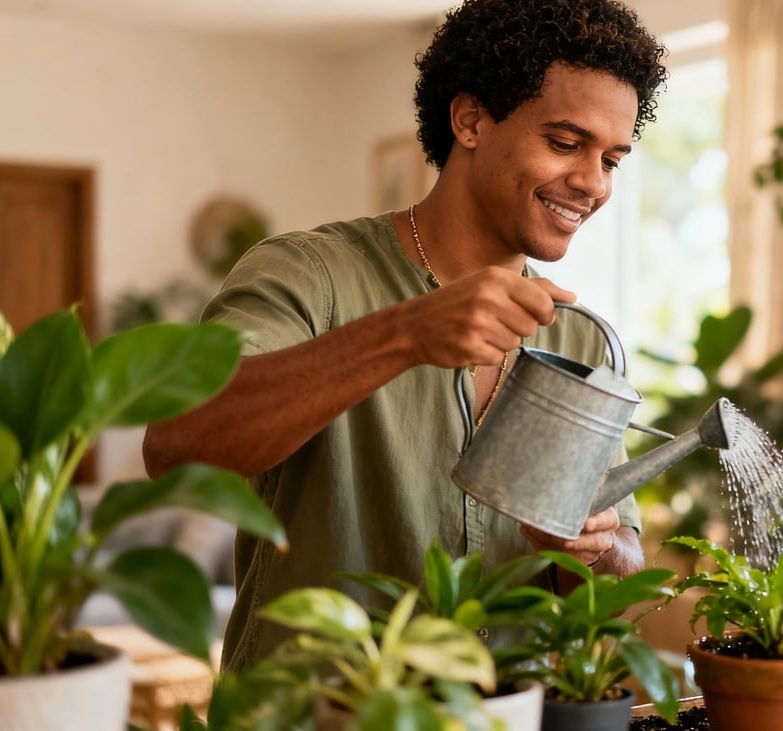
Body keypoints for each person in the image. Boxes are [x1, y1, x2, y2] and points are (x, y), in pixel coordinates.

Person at [142, 0, 668, 672]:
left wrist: (592, 550)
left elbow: (616, 574)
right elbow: (175, 442)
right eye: (565, 143)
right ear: (470, 120)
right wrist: (404, 334)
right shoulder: (310, 274)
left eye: (613, 159)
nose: (593, 182)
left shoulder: (582, 340)